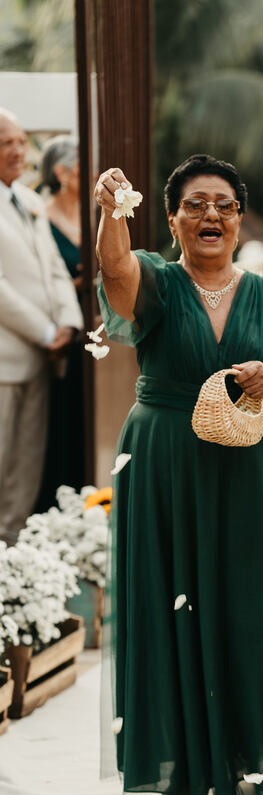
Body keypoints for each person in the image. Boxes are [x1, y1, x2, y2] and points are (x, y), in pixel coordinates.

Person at [94, 153, 263, 795]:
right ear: (173, 217)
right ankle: (184, 774)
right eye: (196, 204)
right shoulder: (154, 279)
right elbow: (114, 273)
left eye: (225, 206)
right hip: (164, 463)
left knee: (260, 599)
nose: (211, 215)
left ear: (238, 219)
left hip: (251, 465)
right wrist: (111, 210)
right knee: (169, 606)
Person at [0, 109, 82, 543]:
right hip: (6, 359)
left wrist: (69, 323)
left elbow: (54, 269)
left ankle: (11, 557)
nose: (17, 149)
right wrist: (45, 332)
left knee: (26, 467)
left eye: (20, 140)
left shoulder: (30, 201)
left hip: (43, 359)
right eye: (5, 141)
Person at [34, 135, 86, 511]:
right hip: (57, 337)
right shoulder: (40, 216)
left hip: (96, 339)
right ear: (62, 172)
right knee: (58, 423)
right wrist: (74, 286)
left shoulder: (95, 214)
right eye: (85, 164)